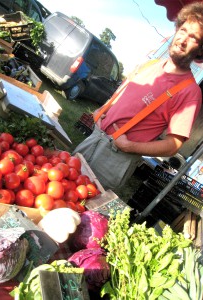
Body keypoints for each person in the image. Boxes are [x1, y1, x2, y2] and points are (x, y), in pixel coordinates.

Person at [73, 1, 203, 191]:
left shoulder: (190, 92)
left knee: (83, 208)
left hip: (116, 157)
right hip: (94, 136)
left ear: (200, 50)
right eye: (183, 30)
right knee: (60, 183)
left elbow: (173, 144)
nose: (183, 40)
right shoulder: (151, 64)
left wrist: (130, 146)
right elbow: (122, 91)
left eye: (194, 38)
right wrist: (102, 109)